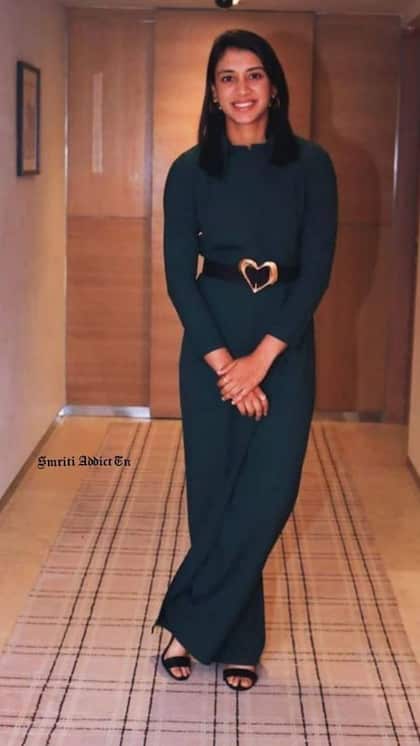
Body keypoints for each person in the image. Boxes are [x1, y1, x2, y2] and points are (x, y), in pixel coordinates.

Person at [151, 28, 338, 691]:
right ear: (212, 91)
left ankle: (188, 621)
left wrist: (260, 360)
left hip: (284, 340)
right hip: (213, 339)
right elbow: (179, 277)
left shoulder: (310, 165)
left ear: (275, 86)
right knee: (215, 492)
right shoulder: (189, 170)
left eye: (254, 74)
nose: (241, 89)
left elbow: (316, 271)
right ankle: (238, 639)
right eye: (227, 77)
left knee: (268, 493)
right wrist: (226, 366)